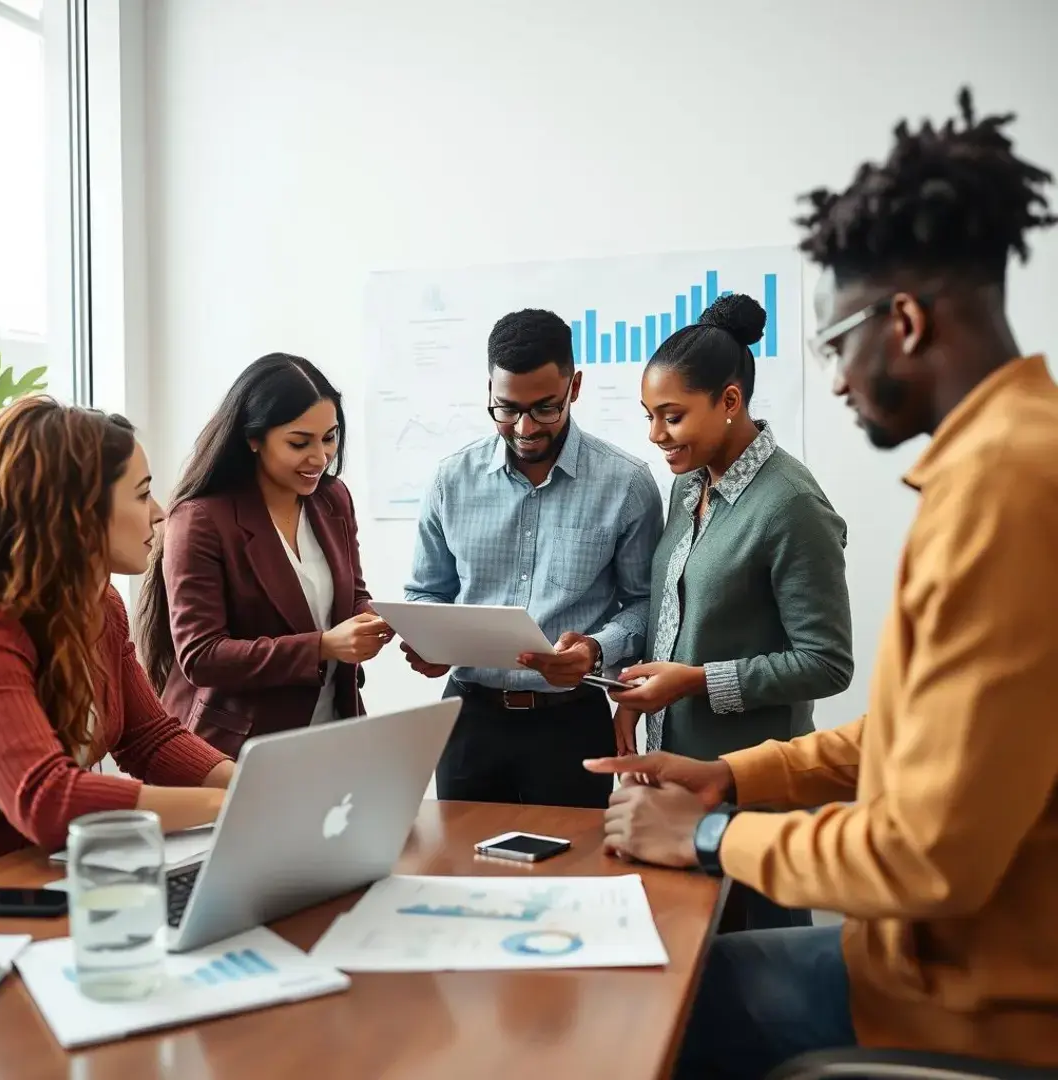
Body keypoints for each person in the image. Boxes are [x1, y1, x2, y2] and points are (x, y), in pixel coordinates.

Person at [585, 89, 1058, 1076]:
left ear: (907, 322)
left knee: (652, 1022)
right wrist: (736, 776)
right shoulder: (1003, 459)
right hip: (936, 967)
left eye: (836, 344)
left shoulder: (1007, 485)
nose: (835, 380)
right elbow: (924, 734)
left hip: (974, 1002)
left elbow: (925, 856)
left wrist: (711, 833)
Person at [610, 291, 853, 931]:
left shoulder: (793, 505)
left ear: (729, 401)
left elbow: (827, 663)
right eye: (649, 416)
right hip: (672, 785)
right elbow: (680, 621)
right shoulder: (688, 484)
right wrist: (638, 688)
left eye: (671, 416)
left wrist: (694, 681)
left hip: (748, 794)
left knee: (758, 986)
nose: (655, 436)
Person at [404, 308, 663, 808]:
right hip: (468, 718)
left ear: (576, 387)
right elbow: (427, 591)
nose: (524, 427)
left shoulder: (627, 485)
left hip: (572, 723)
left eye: (546, 408)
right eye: (506, 408)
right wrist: (428, 643)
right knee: (461, 872)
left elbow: (646, 604)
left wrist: (596, 648)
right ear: (489, 392)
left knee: (571, 876)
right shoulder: (450, 480)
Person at [0, 398, 234, 865]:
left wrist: (257, 785)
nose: (159, 513)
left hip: (52, 874)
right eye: (141, 494)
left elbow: (150, 739)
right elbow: (48, 799)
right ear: (74, 512)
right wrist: (228, 805)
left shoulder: (100, 606)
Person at [136, 353, 391, 759]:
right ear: (253, 438)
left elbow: (351, 594)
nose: (321, 458)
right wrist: (322, 647)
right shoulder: (200, 519)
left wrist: (379, 619)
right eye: (299, 442)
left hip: (332, 734)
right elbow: (201, 656)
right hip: (235, 750)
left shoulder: (333, 500)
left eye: (330, 437)